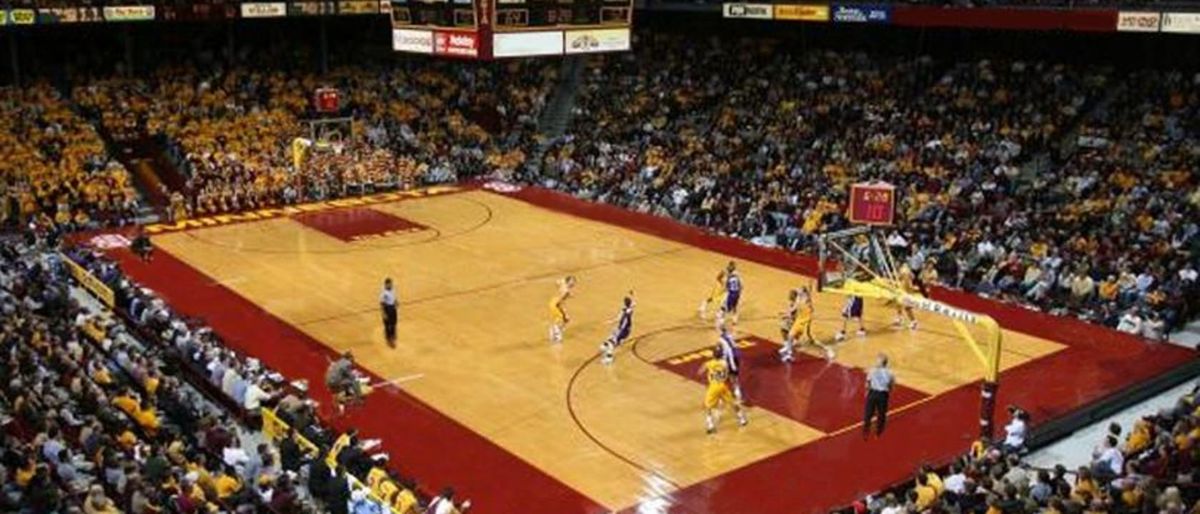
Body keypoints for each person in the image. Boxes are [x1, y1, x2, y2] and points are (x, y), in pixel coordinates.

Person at [698, 345, 748, 434]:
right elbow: (729, 375)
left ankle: (710, 425)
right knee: (732, 402)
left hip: (713, 387)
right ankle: (742, 419)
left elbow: (700, 371)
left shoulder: (710, 363)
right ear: (721, 355)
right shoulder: (725, 363)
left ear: (713, 355)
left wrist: (704, 371)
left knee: (708, 406)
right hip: (723, 386)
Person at [780, 287, 834, 362]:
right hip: (798, 323)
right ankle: (789, 354)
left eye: (801, 292)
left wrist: (805, 292)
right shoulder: (798, 301)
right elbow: (793, 310)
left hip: (806, 323)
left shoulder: (807, 301)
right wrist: (785, 314)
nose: (799, 292)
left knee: (813, 342)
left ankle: (828, 351)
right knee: (790, 336)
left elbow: (807, 298)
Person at [864, 353, 894, 438]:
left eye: (877, 361)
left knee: (868, 413)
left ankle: (866, 432)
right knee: (881, 414)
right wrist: (888, 392)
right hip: (883, 395)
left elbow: (867, 383)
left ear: (880, 362)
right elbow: (891, 385)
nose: (876, 362)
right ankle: (878, 433)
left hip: (872, 394)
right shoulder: (890, 373)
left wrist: (866, 392)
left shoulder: (872, 370)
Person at [600, 292, 635, 365]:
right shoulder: (627, 309)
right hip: (621, 329)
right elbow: (618, 319)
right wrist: (633, 295)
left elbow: (620, 319)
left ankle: (609, 358)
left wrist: (611, 322)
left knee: (612, 343)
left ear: (624, 304)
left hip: (623, 330)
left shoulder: (627, 311)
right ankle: (605, 346)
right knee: (610, 337)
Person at [716, 324, 744, 402]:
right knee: (734, 377)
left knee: (722, 377)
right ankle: (738, 395)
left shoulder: (720, 340)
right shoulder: (730, 336)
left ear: (720, 331)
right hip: (736, 357)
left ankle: (721, 396)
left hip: (729, 359)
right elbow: (735, 346)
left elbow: (724, 351)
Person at [548, 276, 575, 344]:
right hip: (556, 305)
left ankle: (555, 332)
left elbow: (557, 282)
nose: (573, 284)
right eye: (572, 282)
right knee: (560, 319)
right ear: (568, 282)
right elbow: (559, 301)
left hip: (555, 303)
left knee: (566, 319)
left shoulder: (564, 284)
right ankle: (556, 336)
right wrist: (563, 310)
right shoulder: (566, 291)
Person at [380, 278, 397, 347]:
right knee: (387, 324)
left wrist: (396, 301)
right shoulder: (384, 293)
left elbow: (394, 297)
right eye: (389, 284)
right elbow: (382, 303)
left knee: (394, 322)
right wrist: (384, 313)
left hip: (393, 307)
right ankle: (388, 337)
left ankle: (392, 335)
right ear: (386, 285)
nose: (390, 285)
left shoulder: (393, 289)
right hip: (387, 308)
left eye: (391, 284)